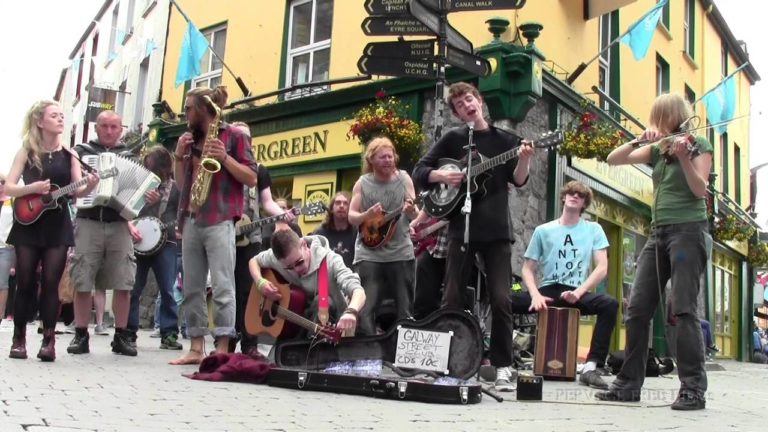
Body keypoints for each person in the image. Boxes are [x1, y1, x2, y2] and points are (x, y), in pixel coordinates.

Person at [412, 81, 533, 391]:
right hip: (460, 228)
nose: (468, 105)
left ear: (480, 101)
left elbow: (519, 180)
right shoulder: (454, 140)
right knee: (451, 296)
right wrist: (442, 175)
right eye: (460, 104)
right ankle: (447, 360)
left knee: (501, 298)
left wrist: (525, 158)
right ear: (456, 113)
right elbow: (420, 171)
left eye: (470, 99)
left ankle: (503, 366)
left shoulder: (505, 139)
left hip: (496, 231)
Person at [596, 93, 713, 411]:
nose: (656, 122)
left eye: (658, 117)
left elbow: (700, 189)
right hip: (657, 233)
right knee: (637, 309)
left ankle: (693, 388)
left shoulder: (697, 142)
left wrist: (685, 159)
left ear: (671, 115)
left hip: (688, 231)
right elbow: (613, 159)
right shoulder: (658, 148)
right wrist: (638, 139)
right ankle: (628, 384)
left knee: (683, 309)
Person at [170, 85, 258, 365]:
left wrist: (225, 158)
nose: (185, 113)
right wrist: (178, 157)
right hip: (193, 218)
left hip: (221, 220)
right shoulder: (190, 139)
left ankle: (223, 347)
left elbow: (251, 177)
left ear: (205, 109)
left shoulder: (234, 135)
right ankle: (196, 347)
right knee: (192, 288)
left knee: (223, 285)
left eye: (189, 108)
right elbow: (182, 184)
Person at [4, 100, 98, 361]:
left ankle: (48, 340)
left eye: (61, 116)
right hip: (28, 222)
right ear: (39, 121)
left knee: (51, 284)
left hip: (57, 225)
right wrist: (32, 189)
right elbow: (9, 187)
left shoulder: (70, 154)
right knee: (24, 282)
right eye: (54, 115)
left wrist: (90, 185)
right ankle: (19, 338)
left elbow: (77, 192)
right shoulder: (27, 150)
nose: (60, 119)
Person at [514, 180, 617, 389]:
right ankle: (502, 362)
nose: (574, 196)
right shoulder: (543, 230)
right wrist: (535, 295)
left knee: (609, 304)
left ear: (584, 203)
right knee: (505, 301)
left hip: (576, 291)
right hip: (548, 291)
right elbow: (527, 268)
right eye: (571, 192)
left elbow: (602, 267)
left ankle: (591, 366)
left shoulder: (593, 229)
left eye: (580, 195)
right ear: (563, 197)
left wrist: (579, 292)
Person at [66, 111, 140, 357]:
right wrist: (87, 183)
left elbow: (137, 191)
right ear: (96, 128)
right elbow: (74, 190)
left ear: (121, 129)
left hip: (120, 223)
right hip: (88, 220)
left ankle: (121, 336)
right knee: (83, 279)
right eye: (105, 126)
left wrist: (148, 196)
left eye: (114, 127)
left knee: (124, 280)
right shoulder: (82, 152)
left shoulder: (130, 155)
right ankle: (81, 334)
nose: (109, 131)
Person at [230, 121, 294, 355]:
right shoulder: (223, 165)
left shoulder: (260, 169)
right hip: (225, 235)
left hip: (251, 237)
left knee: (249, 291)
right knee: (227, 289)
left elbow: (267, 203)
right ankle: (226, 340)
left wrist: (284, 215)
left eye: (245, 138)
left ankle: (249, 344)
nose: (242, 141)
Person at [349, 137, 418, 335]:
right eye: (382, 157)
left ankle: (402, 354)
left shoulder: (404, 179)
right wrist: (367, 215)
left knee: (405, 309)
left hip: (400, 252)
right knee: (366, 307)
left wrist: (411, 210)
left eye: (390, 156)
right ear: (371, 160)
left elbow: (414, 211)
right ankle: (370, 352)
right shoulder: (362, 183)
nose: (388, 160)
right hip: (369, 254)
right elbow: (352, 217)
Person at [249, 229, 365, 342]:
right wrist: (260, 283)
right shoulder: (277, 257)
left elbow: (358, 290)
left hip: (332, 327)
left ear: (304, 245)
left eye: (299, 262)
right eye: (289, 267)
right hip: (296, 324)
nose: (296, 269)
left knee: (322, 301)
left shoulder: (331, 261)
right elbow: (254, 261)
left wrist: (351, 312)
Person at [126, 146, 182, 350]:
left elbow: (180, 213)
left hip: (166, 242)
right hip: (140, 241)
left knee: (167, 289)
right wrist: (145, 202)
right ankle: (129, 331)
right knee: (133, 288)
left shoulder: (175, 188)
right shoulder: (141, 185)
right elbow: (130, 211)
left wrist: (178, 228)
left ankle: (169, 334)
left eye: (153, 167)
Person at [409, 208, 448, 319]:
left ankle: (449, 324)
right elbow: (427, 208)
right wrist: (413, 226)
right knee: (423, 294)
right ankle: (422, 323)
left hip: (456, 247)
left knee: (452, 296)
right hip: (434, 248)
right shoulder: (438, 191)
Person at [312, 191, 356, 268]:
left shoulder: (356, 232)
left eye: (345, 203)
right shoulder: (320, 233)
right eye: (338, 203)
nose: (341, 206)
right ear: (331, 209)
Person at [0, 181, 15, 321]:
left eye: (2, 182)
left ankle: (0, 314)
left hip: (5, 246)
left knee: (2, 283)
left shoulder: (12, 201)